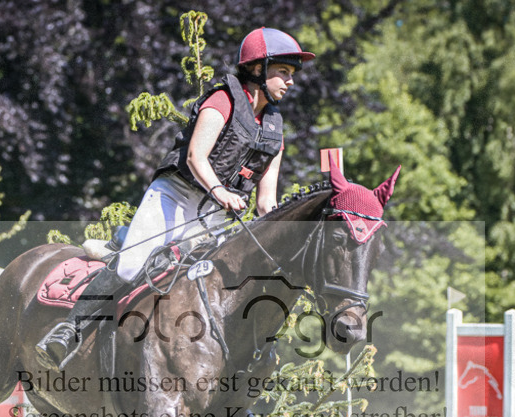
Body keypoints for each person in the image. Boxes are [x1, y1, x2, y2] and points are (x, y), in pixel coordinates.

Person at [37, 27, 315, 370]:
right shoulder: (222, 101)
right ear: (259, 69)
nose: (290, 82)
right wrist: (220, 191)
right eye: (283, 72)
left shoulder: (274, 129)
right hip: (174, 199)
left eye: (292, 75)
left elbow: (266, 202)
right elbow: (196, 158)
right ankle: (68, 330)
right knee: (130, 265)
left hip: (213, 218)